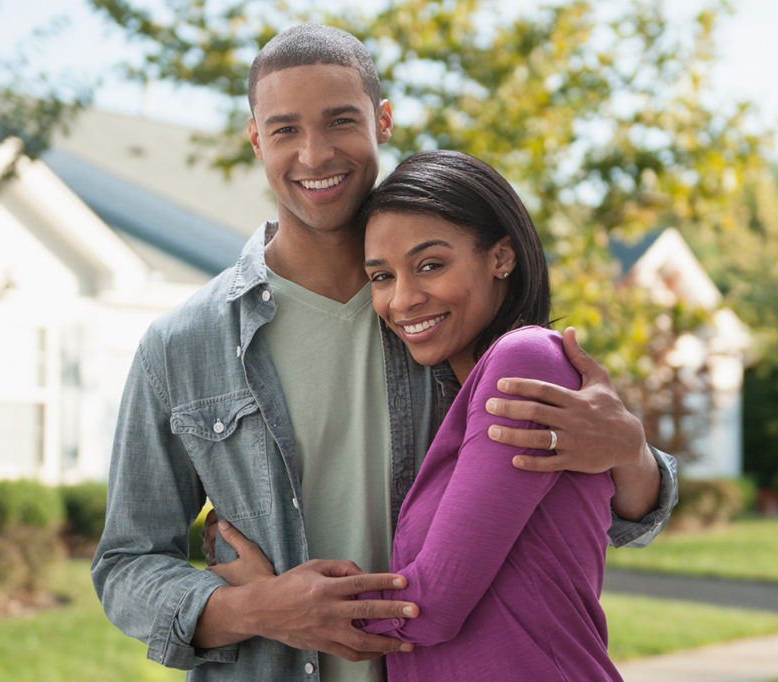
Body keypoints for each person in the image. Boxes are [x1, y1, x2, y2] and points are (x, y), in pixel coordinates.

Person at [92, 24, 677, 682]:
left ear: (383, 121)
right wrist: (256, 608)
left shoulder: (450, 320)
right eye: (284, 129)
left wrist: (631, 454)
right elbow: (127, 564)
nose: (314, 154)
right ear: (256, 139)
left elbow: (588, 521)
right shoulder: (184, 346)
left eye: (340, 121)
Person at [213, 149, 626, 680]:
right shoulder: (461, 395)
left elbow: (427, 607)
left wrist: (263, 601)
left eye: (430, 265)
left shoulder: (525, 362)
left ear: (502, 257)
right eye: (381, 277)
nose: (403, 299)